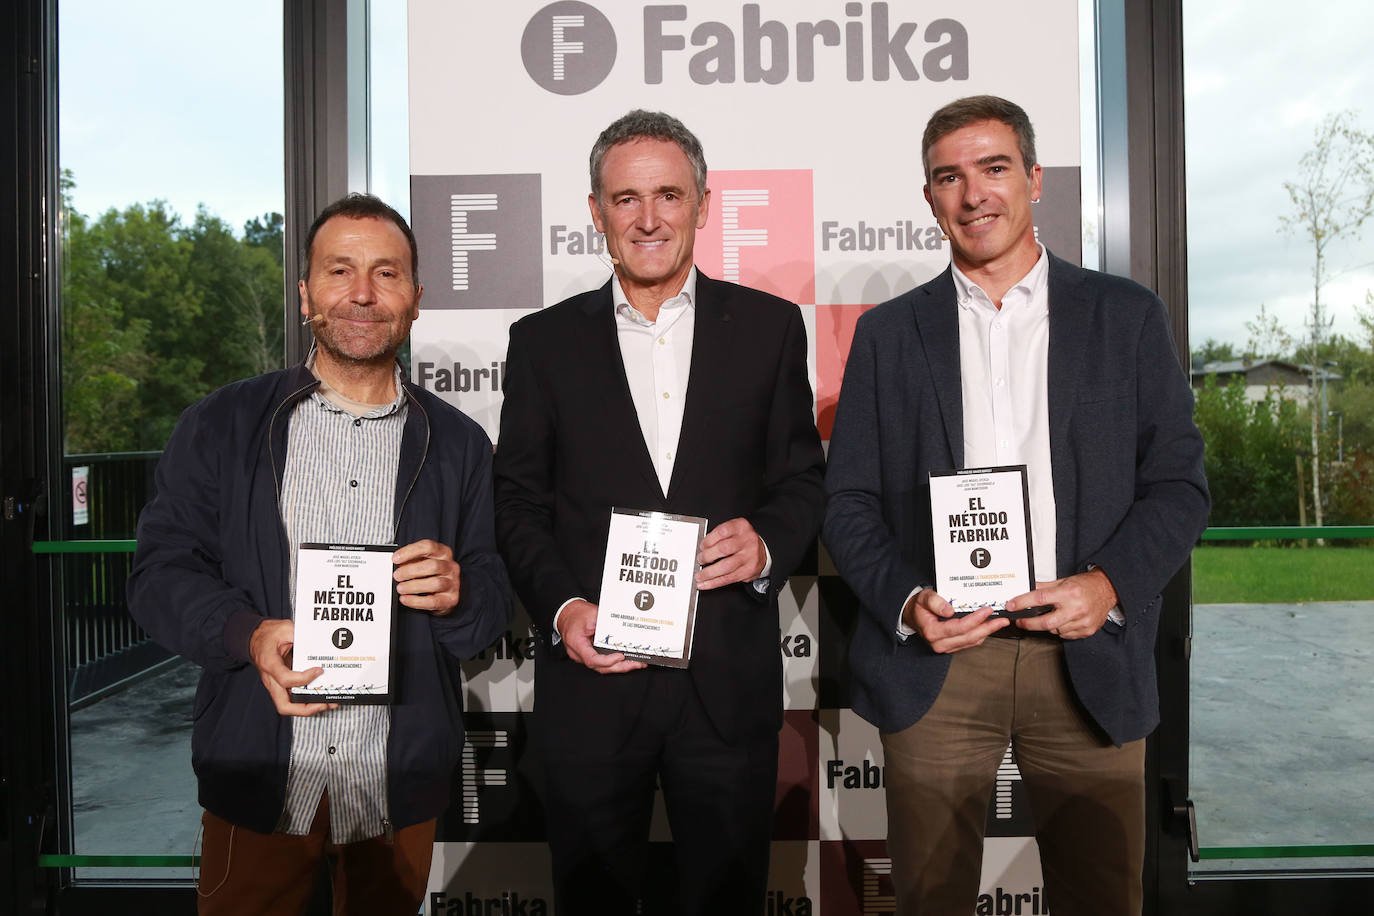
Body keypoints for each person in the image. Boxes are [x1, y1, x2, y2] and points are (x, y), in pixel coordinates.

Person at [822, 95, 1209, 916]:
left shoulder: (1126, 316)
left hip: (1086, 657)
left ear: (1034, 179)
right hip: (940, 662)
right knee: (929, 901)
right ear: (929, 198)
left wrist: (1106, 586)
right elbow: (846, 500)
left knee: (1103, 898)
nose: (974, 195)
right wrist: (905, 600)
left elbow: (1180, 487)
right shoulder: (889, 334)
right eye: (949, 178)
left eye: (994, 169)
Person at [127, 193, 512, 916]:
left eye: (386, 273)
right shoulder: (223, 423)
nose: (362, 293)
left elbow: (491, 599)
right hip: (260, 768)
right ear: (305, 295)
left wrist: (460, 592)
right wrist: (250, 633)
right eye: (339, 271)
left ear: (417, 299)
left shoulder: (460, 445)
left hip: (396, 782)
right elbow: (159, 574)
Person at [493, 109, 825, 915]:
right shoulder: (542, 342)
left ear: (703, 204)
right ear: (597, 210)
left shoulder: (770, 330)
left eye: (669, 195)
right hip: (593, 681)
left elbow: (805, 483)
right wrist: (565, 608)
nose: (649, 218)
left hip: (726, 686)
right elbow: (517, 502)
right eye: (627, 198)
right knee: (593, 898)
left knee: (729, 898)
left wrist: (768, 543)